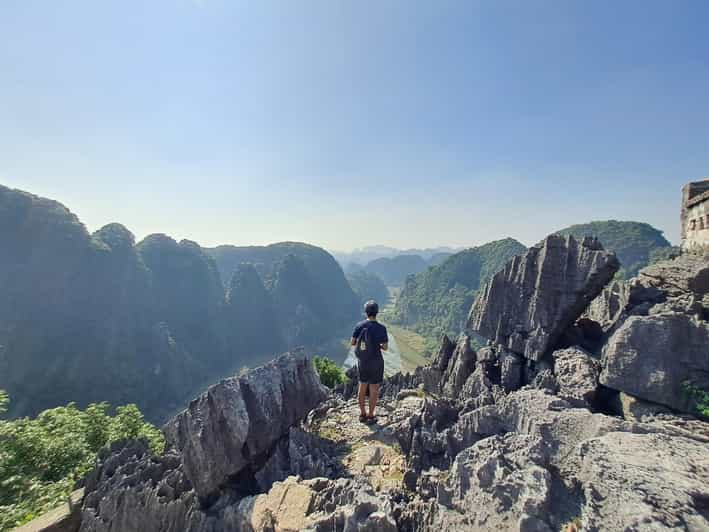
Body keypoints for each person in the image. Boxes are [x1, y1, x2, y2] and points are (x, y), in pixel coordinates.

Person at [350, 300, 388, 424]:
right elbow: (385, 347)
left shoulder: (359, 326)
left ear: (366, 312)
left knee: (362, 388)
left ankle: (362, 414)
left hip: (363, 362)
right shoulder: (381, 328)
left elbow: (353, 342)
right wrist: (377, 345)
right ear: (377, 313)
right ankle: (371, 415)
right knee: (374, 390)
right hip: (376, 362)